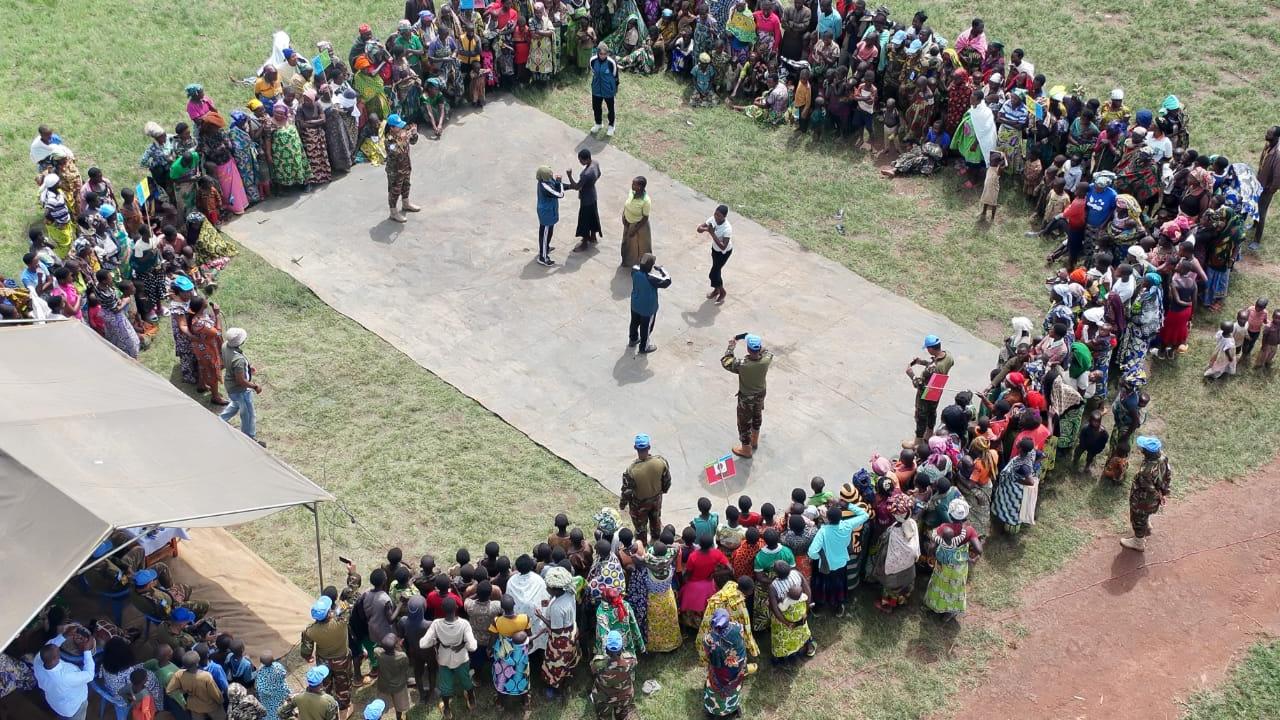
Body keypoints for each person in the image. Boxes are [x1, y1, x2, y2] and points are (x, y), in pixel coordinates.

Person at [923, 498, 983, 620]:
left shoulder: (943, 528)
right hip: (959, 566)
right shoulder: (969, 531)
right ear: (965, 515)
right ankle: (950, 612)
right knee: (955, 588)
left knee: (939, 583)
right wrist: (973, 558)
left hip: (942, 563)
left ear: (950, 514)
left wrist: (931, 556)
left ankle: (935, 605)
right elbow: (979, 549)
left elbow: (932, 546)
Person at [807, 503, 869, 617]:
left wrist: (820, 557)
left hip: (826, 566)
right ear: (841, 517)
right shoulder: (847, 525)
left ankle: (818, 608)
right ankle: (838, 607)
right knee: (838, 586)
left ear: (828, 519)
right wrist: (849, 505)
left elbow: (812, 552)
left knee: (823, 586)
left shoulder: (823, 531)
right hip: (841, 564)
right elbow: (865, 515)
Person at [421, 597, 476, 718]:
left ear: (442, 609)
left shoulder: (436, 624)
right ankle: (471, 700)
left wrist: (435, 641)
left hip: (444, 659)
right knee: (466, 679)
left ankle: (447, 710)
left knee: (445, 686)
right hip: (461, 658)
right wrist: (463, 644)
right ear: (456, 608)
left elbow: (423, 643)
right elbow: (472, 646)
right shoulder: (464, 623)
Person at [722, 333, 773, 458]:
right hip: (760, 394)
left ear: (748, 349)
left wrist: (731, 346)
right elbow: (765, 351)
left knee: (744, 423)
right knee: (757, 416)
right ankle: (754, 441)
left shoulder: (743, 365)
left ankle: (746, 449)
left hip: (746, 398)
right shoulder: (767, 359)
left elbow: (726, 361)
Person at [1121, 436, 1173, 552]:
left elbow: (1148, 488)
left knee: (1138, 518)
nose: (1141, 449)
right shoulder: (1163, 458)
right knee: (1146, 513)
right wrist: (1163, 493)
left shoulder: (1145, 472)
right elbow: (1168, 475)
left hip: (1144, 501)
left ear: (1147, 453)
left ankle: (1138, 542)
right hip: (1155, 499)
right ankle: (1147, 524)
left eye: (1143, 448)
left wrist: (1157, 495)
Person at [538, 567, 580, 698]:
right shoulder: (570, 592)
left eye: (548, 586)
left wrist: (541, 616)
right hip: (572, 631)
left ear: (555, 589)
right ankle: (566, 680)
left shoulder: (557, 608)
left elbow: (556, 629)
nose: (546, 588)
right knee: (568, 660)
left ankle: (556, 688)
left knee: (555, 663)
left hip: (561, 640)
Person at [620, 433, 671, 537]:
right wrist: (663, 491)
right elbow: (667, 480)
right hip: (656, 499)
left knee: (640, 527)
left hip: (639, 505)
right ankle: (656, 538)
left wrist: (622, 504)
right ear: (649, 447)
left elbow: (627, 492)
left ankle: (642, 545)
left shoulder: (631, 470)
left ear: (635, 448)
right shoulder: (661, 462)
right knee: (656, 520)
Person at [219, 328, 263, 444]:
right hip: (240, 390)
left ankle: (219, 420)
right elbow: (241, 381)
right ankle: (249, 438)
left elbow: (227, 362)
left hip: (230, 386)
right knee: (248, 414)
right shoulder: (238, 360)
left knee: (236, 404)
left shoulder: (225, 345)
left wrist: (247, 368)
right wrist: (255, 386)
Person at [701, 608, 748, 717]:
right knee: (734, 690)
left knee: (715, 692)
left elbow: (709, 655)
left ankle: (715, 712)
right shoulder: (738, 627)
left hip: (720, 673)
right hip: (737, 669)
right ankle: (733, 708)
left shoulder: (709, 639)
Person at [906, 334, 954, 440]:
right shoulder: (948, 356)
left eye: (928, 348)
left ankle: (918, 441)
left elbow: (918, 383)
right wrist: (922, 362)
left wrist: (911, 374)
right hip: (938, 389)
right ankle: (929, 434)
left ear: (931, 348)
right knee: (932, 411)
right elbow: (936, 364)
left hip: (926, 392)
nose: (927, 350)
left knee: (921, 416)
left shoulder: (932, 369)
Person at [34, 640, 95, 720]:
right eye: (58, 651)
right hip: (73, 708)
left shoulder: (37, 660)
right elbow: (90, 675)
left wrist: (63, 636)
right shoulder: (65, 677)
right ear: (56, 657)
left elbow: (49, 646)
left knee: (61, 715)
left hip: (54, 702)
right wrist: (87, 651)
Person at [767, 560, 813, 662]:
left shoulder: (773, 586)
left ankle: (784, 654)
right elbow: (808, 591)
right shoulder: (797, 574)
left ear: (776, 573)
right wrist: (806, 610)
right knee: (801, 629)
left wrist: (786, 622)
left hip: (784, 616)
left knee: (782, 636)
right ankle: (805, 646)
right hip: (800, 612)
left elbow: (775, 608)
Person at [628, 252, 672, 354]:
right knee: (646, 328)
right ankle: (644, 347)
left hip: (635, 304)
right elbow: (667, 280)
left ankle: (633, 339)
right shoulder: (652, 279)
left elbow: (637, 266)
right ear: (650, 267)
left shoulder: (634, 270)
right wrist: (661, 269)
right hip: (648, 309)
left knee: (634, 322)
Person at [589, 631, 637, 720]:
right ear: (622, 648)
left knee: (603, 716)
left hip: (604, 698)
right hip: (625, 696)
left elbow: (593, 671)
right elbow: (634, 666)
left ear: (606, 649)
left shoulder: (598, 662)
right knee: (623, 714)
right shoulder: (630, 660)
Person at [166, 651, 224, 720]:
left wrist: (182, 691)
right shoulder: (206, 676)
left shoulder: (179, 674)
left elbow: (169, 690)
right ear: (197, 663)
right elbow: (215, 693)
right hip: (210, 705)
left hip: (194, 706)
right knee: (222, 718)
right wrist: (221, 701)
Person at [384, 114, 419, 222]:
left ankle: (406, 203)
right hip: (395, 170)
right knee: (395, 190)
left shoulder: (402, 132)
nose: (401, 128)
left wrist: (413, 133)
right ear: (392, 128)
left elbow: (413, 142)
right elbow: (395, 152)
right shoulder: (389, 140)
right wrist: (403, 139)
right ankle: (393, 212)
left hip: (405, 165)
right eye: (398, 126)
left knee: (406, 185)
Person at [566, 149, 602, 251]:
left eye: (580, 160)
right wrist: (591, 183)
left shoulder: (585, 174)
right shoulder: (595, 163)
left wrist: (569, 176)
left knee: (584, 220)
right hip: (593, 196)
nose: (580, 162)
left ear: (586, 160)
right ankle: (593, 237)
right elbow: (599, 174)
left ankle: (584, 243)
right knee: (593, 217)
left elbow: (577, 187)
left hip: (586, 199)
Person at [697, 204, 733, 303]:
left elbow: (723, 246)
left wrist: (712, 233)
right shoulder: (712, 219)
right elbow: (699, 229)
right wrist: (705, 229)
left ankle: (722, 292)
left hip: (724, 253)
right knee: (716, 272)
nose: (716, 217)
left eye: (719, 216)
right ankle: (716, 290)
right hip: (715, 250)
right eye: (715, 214)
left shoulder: (727, 228)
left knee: (713, 274)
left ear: (724, 217)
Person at [534, 166, 565, 267]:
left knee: (549, 232)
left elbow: (556, 186)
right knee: (545, 234)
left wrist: (571, 186)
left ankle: (546, 248)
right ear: (543, 177)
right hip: (546, 214)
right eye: (549, 174)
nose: (551, 175)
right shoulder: (544, 186)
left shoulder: (547, 179)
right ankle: (543, 257)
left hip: (550, 211)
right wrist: (559, 182)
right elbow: (560, 194)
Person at [1255, 125, 1279, 249]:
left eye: (1269, 134)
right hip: (1260, 182)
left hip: (1267, 188)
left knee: (1262, 211)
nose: (1266, 135)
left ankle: (1257, 240)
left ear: (1276, 137)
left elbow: (1278, 176)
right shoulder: (1269, 144)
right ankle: (1254, 224)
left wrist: (1271, 189)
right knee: (1255, 204)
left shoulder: (1278, 154)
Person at [620, 176, 652, 267]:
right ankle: (627, 261)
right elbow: (627, 205)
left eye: (634, 184)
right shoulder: (632, 192)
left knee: (642, 247)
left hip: (639, 225)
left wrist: (635, 229)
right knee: (627, 244)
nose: (632, 185)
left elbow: (645, 217)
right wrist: (624, 216)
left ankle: (644, 266)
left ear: (640, 187)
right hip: (628, 223)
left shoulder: (646, 201)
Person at [589, 43, 619, 136]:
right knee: (596, 107)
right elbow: (593, 71)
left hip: (608, 90)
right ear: (598, 53)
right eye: (601, 54)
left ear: (607, 53)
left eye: (605, 54)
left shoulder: (611, 62)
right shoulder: (593, 60)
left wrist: (614, 89)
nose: (603, 56)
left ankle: (611, 126)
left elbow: (615, 75)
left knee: (611, 108)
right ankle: (598, 123)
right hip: (596, 89)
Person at [979, 150, 1005, 222]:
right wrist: (1001, 153)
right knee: (986, 199)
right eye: (991, 160)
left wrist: (1004, 158)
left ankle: (992, 217)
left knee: (993, 202)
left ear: (997, 163)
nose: (991, 161)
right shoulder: (990, 167)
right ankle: (984, 212)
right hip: (987, 186)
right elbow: (991, 151)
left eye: (992, 161)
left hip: (994, 188)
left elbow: (1005, 165)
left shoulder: (998, 169)